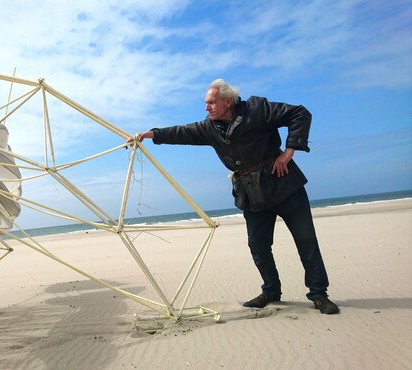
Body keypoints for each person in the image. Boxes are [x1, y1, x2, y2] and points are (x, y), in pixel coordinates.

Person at [126, 79, 339, 314]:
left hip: (284, 183)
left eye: (211, 103)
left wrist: (288, 154)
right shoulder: (209, 127)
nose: (207, 108)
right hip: (251, 193)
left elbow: (299, 114)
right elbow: (182, 132)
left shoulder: (257, 109)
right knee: (258, 246)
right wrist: (150, 134)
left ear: (228, 101)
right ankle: (271, 291)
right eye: (206, 104)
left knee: (306, 240)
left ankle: (319, 294)